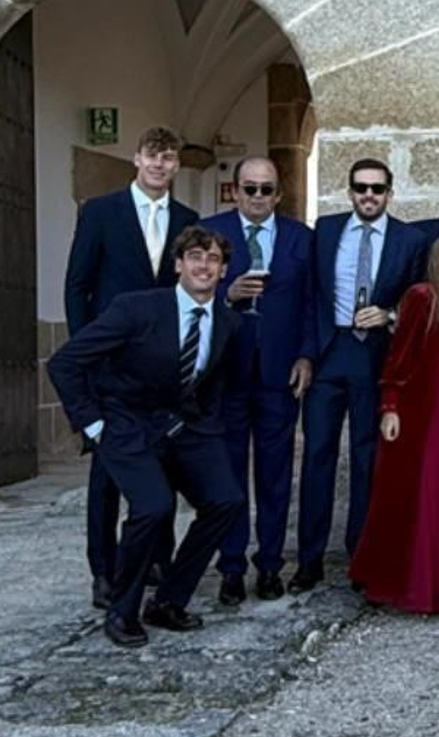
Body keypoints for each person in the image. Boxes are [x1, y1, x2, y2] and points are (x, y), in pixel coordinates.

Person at [47, 226, 245, 648]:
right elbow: (65, 362)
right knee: (154, 507)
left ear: (224, 270)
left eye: (213, 259)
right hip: (127, 424)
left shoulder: (228, 322)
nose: (203, 265)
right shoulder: (136, 308)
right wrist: (93, 424)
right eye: (195, 256)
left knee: (226, 500)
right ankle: (123, 608)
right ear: (178, 264)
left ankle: (169, 600)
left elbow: (212, 381)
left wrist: (204, 426)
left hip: (186, 428)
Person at [64, 125, 198, 609]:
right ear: (136, 159)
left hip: (161, 367)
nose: (160, 165)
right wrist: (87, 350)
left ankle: (155, 561)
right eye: (153, 156)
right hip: (110, 364)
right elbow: (77, 284)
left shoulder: (187, 218)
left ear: (177, 165)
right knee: (106, 474)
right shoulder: (101, 212)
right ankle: (104, 571)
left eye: (169, 158)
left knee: (160, 463)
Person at [294, 158, 430, 594]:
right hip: (330, 352)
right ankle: (309, 560)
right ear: (349, 191)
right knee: (317, 457)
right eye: (360, 188)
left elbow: (418, 299)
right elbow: (309, 294)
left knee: (368, 460)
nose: (368, 196)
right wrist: (306, 354)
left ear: (390, 193)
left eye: (377, 189)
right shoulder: (327, 231)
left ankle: (362, 556)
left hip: (376, 358)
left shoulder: (410, 239)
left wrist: (389, 314)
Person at [201, 157, 316, 605]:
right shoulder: (210, 232)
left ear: (278, 194)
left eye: (266, 189)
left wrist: (307, 355)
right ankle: (230, 565)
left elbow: (312, 302)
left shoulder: (299, 239)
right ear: (235, 190)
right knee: (228, 474)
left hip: (279, 373)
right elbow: (185, 294)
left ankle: (269, 563)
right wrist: (225, 294)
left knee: (274, 475)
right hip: (226, 373)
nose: (257, 198)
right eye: (249, 189)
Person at [349, 233, 439, 614]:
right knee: (416, 499)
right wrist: (390, 406)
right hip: (419, 416)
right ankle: (414, 588)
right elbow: (398, 357)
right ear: (436, 263)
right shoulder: (422, 298)